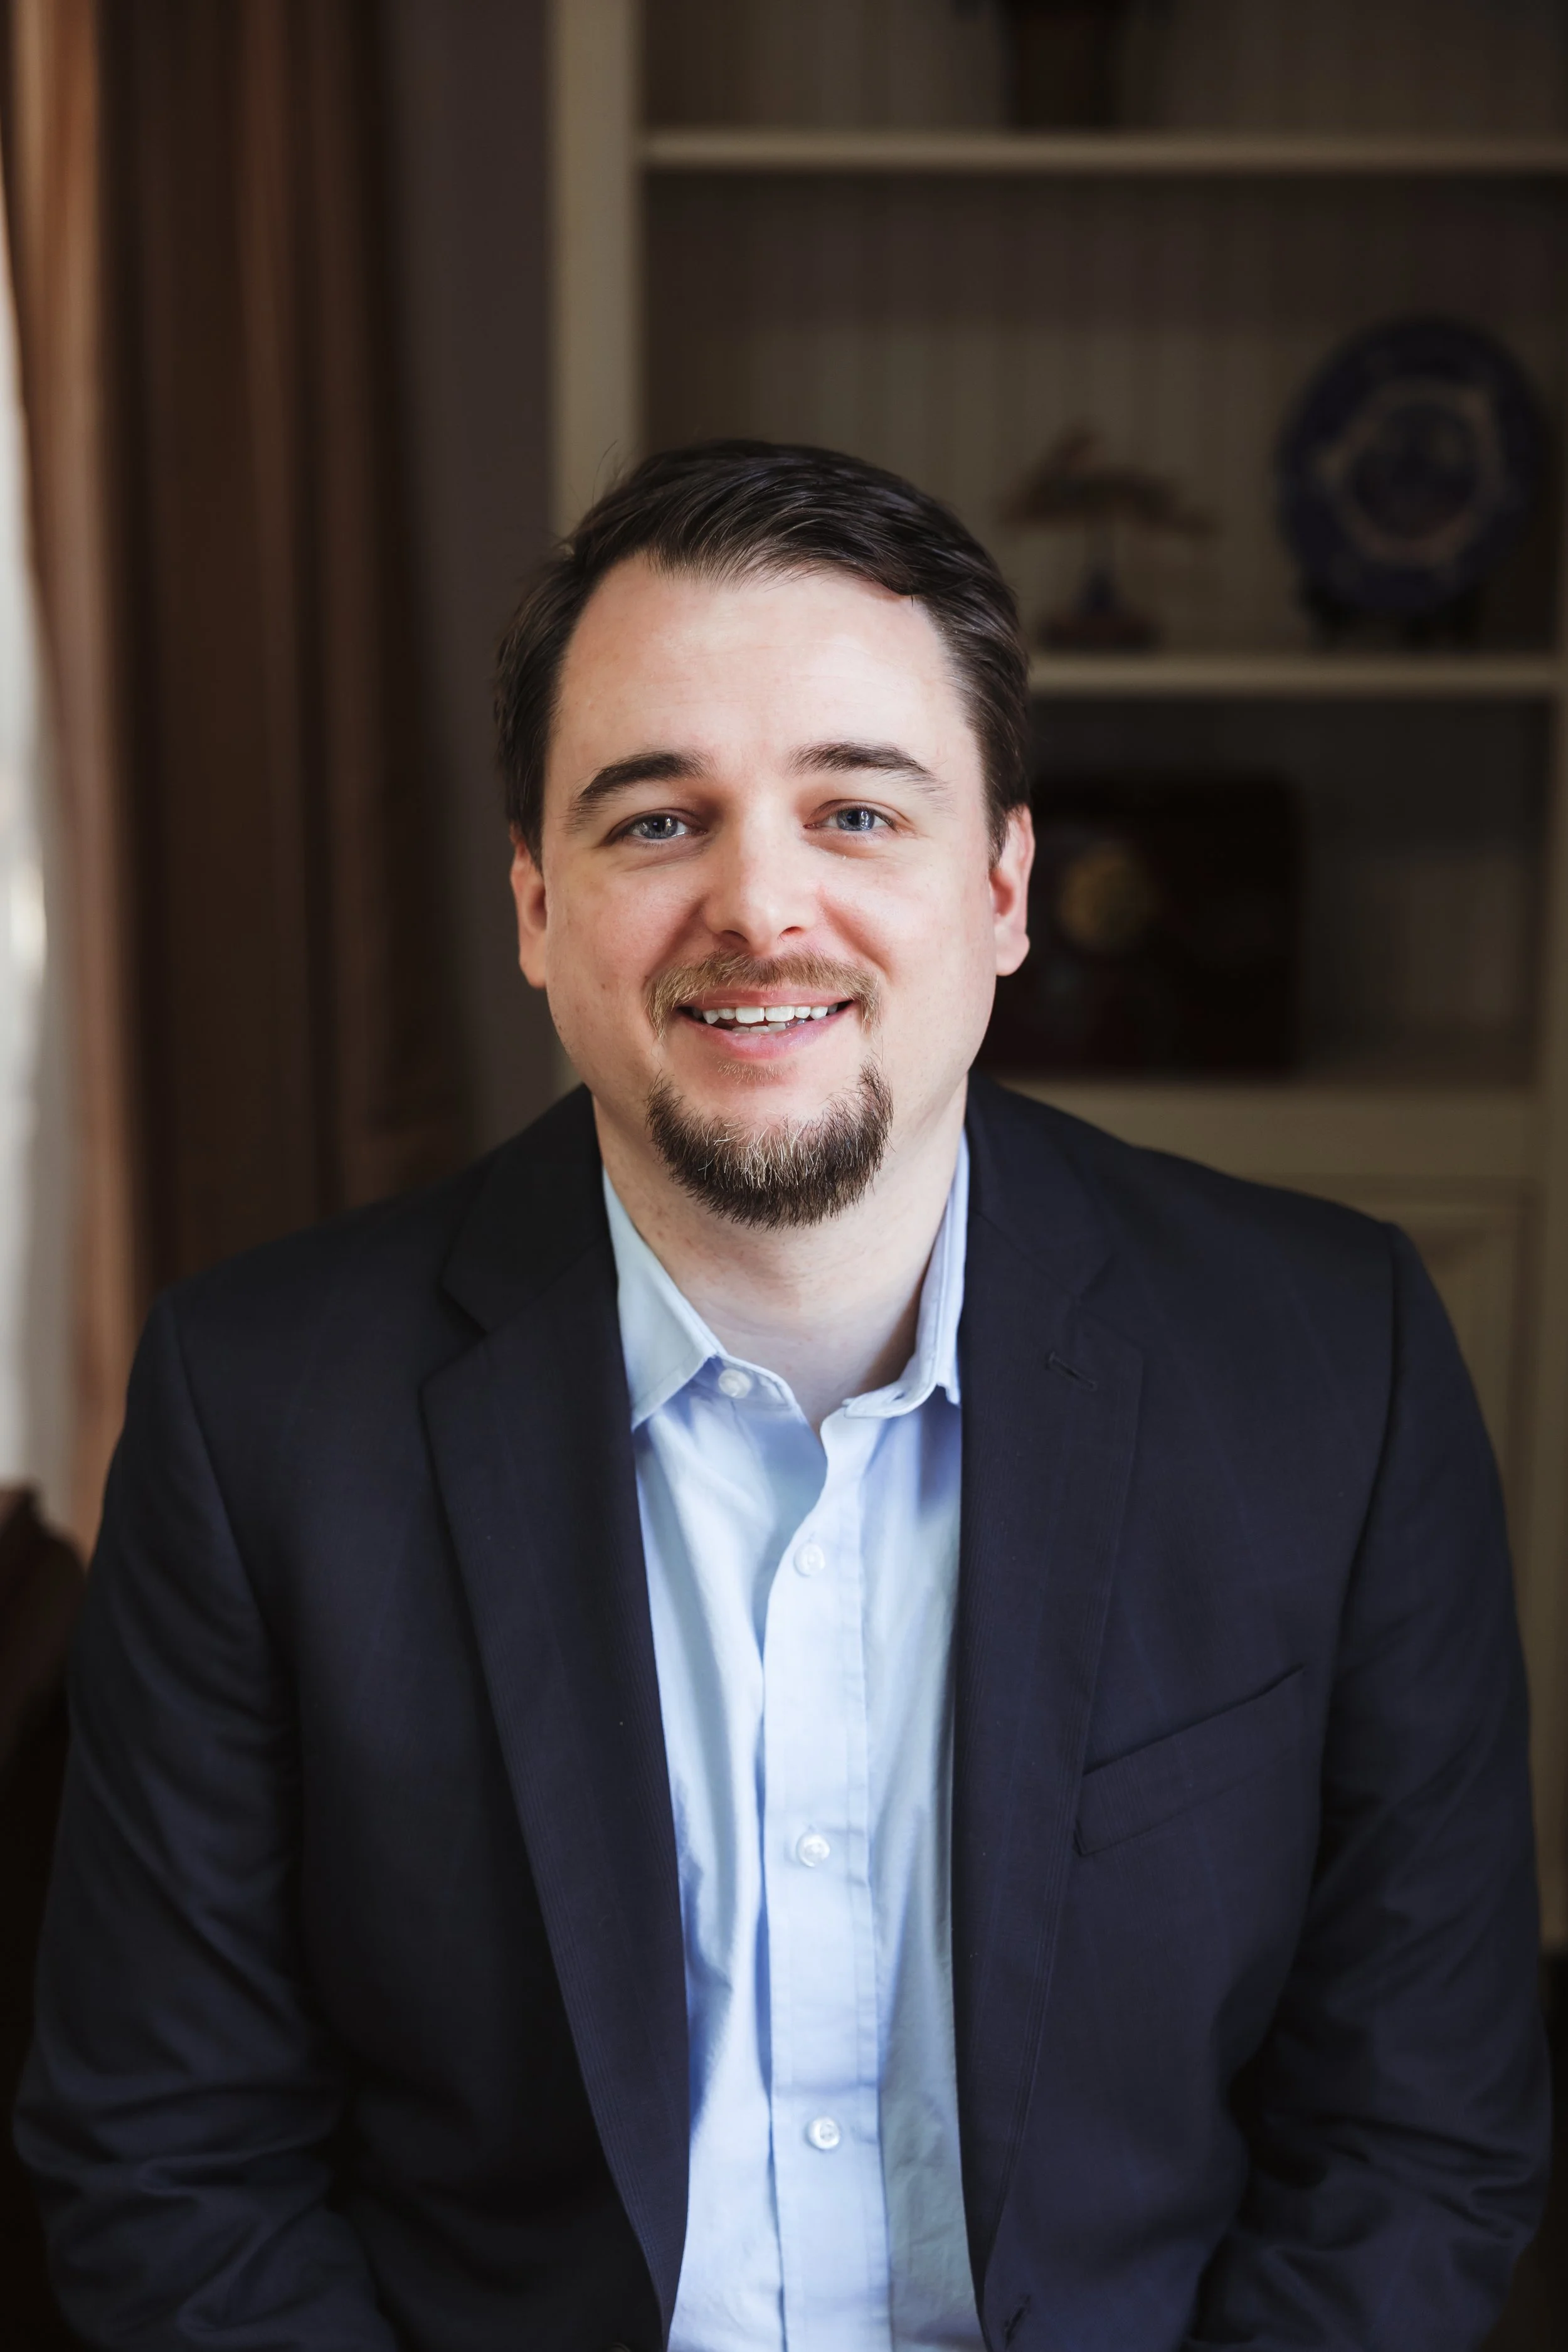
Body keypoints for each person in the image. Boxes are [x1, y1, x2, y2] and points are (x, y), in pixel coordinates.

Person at [16, 440, 1551, 2352]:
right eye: (656, 821)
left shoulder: (1339, 1365)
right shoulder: (258, 1416)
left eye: (856, 810)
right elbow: (170, 2160)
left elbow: (1416, 2132)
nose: (762, 904)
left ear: (1003, 887)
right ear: (533, 910)